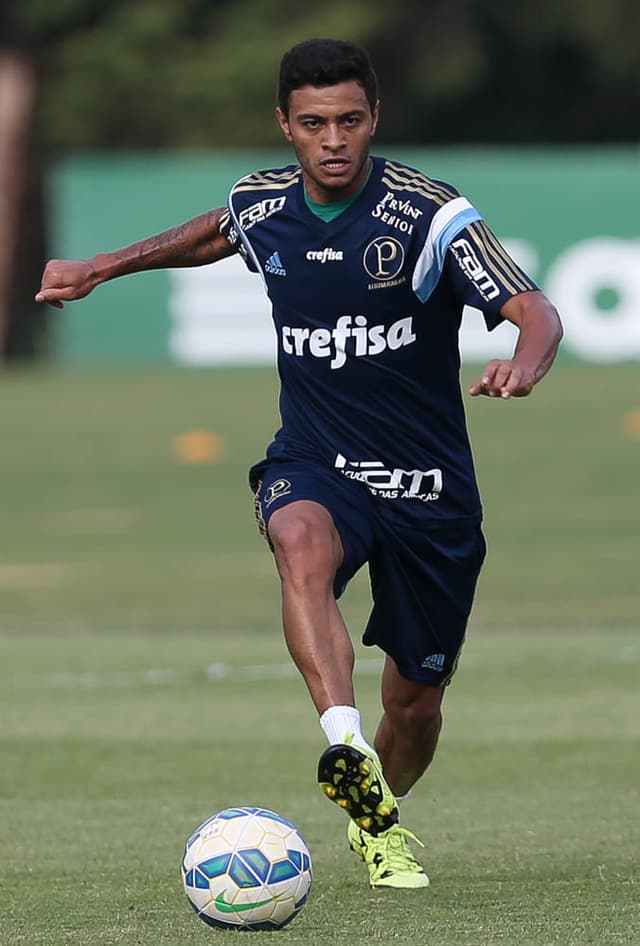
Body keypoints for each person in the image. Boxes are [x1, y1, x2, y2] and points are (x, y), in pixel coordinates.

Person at [36, 38, 562, 890]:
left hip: (429, 491)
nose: (333, 140)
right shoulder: (266, 202)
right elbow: (218, 229)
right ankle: (342, 742)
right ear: (285, 124)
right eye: (313, 123)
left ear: (375, 119)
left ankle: (375, 816)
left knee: (417, 704)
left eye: (350, 120)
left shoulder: (430, 216)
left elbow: (531, 309)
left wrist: (524, 363)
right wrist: (104, 266)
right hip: (318, 461)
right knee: (299, 539)